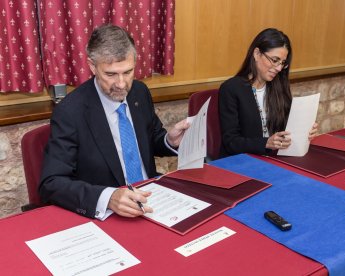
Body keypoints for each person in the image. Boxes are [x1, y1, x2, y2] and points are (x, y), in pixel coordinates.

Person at [39, 24, 189, 220]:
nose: (121, 84)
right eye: (110, 74)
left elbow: (151, 139)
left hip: (152, 200)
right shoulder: (70, 112)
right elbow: (51, 182)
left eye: (127, 72)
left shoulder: (139, 92)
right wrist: (108, 197)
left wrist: (169, 140)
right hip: (111, 214)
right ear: (92, 66)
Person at [219, 28, 317, 157]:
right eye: (275, 60)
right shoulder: (231, 88)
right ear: (257, 53)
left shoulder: (279, 86)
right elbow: (231, 142)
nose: (278, 68)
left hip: (275, 158)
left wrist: (305, 131)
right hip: (242, 162)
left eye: (283, 63)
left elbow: (287, 126)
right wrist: (266, 143)